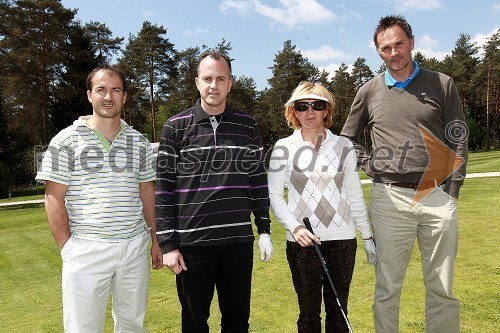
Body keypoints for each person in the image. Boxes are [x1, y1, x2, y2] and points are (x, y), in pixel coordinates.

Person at [341, 14, 468, 333]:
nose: (394, 52)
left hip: (438, 197)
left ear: (411, 43)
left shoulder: (441, 83)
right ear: (378, 52)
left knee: (441, 288)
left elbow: (458, 136)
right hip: (389, 200)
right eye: (386, 48)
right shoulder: (368, 91)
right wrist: (370, 165)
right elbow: (346, 138)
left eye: (399, 44)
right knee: (387, 289)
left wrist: (452, 192)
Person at [36, 64, 162, 332]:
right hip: (86, 250)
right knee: (82, 328)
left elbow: (147, 193)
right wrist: (67, 248)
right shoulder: (65, 140)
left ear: (124, 97)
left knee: (131, 325)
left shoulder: (139, 142)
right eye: (101, 89)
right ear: (89, 95)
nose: (108, 96)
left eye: (116, 90)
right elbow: (53, 197)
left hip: (134, 249)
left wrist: (154, 240)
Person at [155, 50, 273, 332]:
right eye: (207, 78)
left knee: (237, 322)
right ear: (197, 82)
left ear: (230, 83)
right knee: (194, 324)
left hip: (237, 243)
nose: (213, 85)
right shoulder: (175, 126)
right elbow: (164, 190)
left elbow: (257, 180)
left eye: (220, 78)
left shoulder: (247, 125)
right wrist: (168, 245)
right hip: (193, 246)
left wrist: (264, 229)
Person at [268, 81, 377, 333]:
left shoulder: (344, 146)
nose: (309, 111)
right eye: (302, 105)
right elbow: (274, 195)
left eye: (317, 105)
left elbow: (354, 194)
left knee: (339, 314)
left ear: (327, 110)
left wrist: (367, 235)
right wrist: (295, 228)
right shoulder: (283, 148)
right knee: (308, 316)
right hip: (302, 242)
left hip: (342, 240)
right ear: (292, 110)